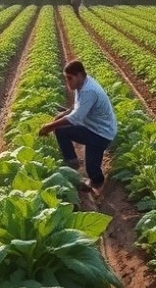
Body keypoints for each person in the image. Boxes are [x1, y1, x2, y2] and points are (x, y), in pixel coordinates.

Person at [38, 60, 118, 196]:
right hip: (92, 127)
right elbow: (76, 108)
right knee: (62, 130)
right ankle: (73, 162)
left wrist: (49, 126)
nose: (67, 82)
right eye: (66, 78)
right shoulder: (82, 85)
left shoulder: (89, 91)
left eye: (70, 78)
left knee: (92, 170)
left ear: (79, 75)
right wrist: (60, 116)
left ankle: (98, 187)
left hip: (101, 133)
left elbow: (75, 118)